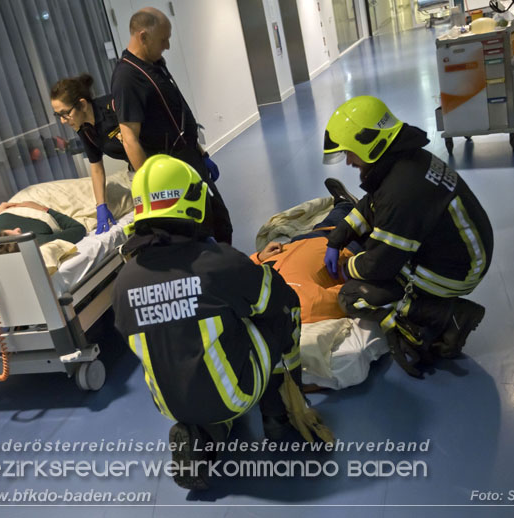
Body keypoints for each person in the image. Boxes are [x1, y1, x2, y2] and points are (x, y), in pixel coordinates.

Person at [112, 155, 329, 490]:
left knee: (190, 340)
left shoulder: (124, 280)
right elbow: (276, 300)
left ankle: (204, 436)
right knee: (280, 312)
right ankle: (279, 410)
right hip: (235, 394)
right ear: (195, 201)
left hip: (170, 403)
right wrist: (256, 271)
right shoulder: (218, 263)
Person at [321, 96, 494, 377]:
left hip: (456, 271)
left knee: (353, 294)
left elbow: (380, 265)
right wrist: (337, 238)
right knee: (365, 241)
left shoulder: (402, 191)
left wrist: (347, 265)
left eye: (349, 152)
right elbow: (373, 203)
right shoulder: (403, 160)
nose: (349, 161)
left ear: (369, 142)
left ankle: (448, 316)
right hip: (464, 250)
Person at [110, 7, 233, 244]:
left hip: (190, 159)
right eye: (163, 40)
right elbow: (129, 138)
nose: (167, 46)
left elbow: (175, 116)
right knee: (199, 233)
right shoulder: (128, 78)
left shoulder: (155, 64)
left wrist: (200, 152)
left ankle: (226, 270)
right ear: (143, 37)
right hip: (169, 171)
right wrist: (152, 189)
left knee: (220, 223)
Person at [250, 179, 360, 324]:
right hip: (346, 247)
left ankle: (345, 204)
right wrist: (351, 274)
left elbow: (238, 271)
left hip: (303, 241)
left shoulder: (249, 291)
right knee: (374, 219)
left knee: (331, 219)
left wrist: (258, 257)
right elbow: (344, 297)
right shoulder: (303, 306)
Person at [50, 74, 128, 234]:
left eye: (65, 113)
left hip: (166, 156)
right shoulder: (84, 129)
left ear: (83, 104)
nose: (63, 121)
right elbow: (97, 168)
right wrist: (101, 206)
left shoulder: (114, 108)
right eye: (58, 115)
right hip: (141, 168)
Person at [0, 200, 86, 255]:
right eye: (17, 233)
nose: (17, 228)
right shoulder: (39, 240)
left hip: (5, 208)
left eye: (8, 232)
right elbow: (78, 228)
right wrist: (45, 209)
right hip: (38, 206)